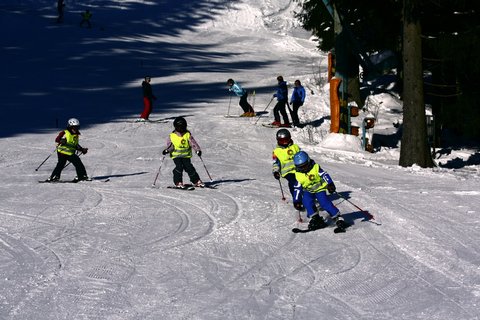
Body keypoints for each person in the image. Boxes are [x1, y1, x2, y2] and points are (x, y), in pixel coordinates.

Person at [292, 151, 348, 231]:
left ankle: (338, 218)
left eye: (305, 166)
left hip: (320, 189)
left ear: (308, 161)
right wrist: (296, 201)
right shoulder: (298, 175)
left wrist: (330, 184)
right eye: (300, 167)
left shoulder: (315, 168)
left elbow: (324, 175)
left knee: (324, 203)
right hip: (309, 191)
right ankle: (316, 218)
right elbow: (297, 188)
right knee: (306, 201)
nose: (304, 169)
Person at [162, 117, 205, 188]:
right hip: (176, 156)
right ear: (176, 127)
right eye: (179, 128)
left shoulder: (187, 135)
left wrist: (197, 150)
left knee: (189, 168)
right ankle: (178, 182)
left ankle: (196, 181)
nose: (181, 130)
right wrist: (167, 150)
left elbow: (193, 143)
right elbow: (170, 145)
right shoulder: (172, 136)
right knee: (179, 167)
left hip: (186, 156)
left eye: (182, 128)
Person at [46, 118, 89, 182]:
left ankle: (82, 176)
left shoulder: (76, 135)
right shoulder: (65, 132)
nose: (76, 129)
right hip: (62, 152)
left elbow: (75, 145)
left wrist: (82, 149)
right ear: (70, 127)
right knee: (62, 164)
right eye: (74, 128)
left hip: (70, 153)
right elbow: (57, 139)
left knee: (77, 163)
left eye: (77, 127)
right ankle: (54, 177)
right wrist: (61, 141)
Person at [272, 129, 303, 210]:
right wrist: (276, 171)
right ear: (278, 140)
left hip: (299, 169)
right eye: (282, 141)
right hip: (287, 172)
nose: (285, 142)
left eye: (286, 140)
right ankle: (297, 201)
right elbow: (276, 163)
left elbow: (302, 156)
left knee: (304, 181)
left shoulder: (295, 147)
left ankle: (308, 197)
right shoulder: (277, 151)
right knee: (294, 182)